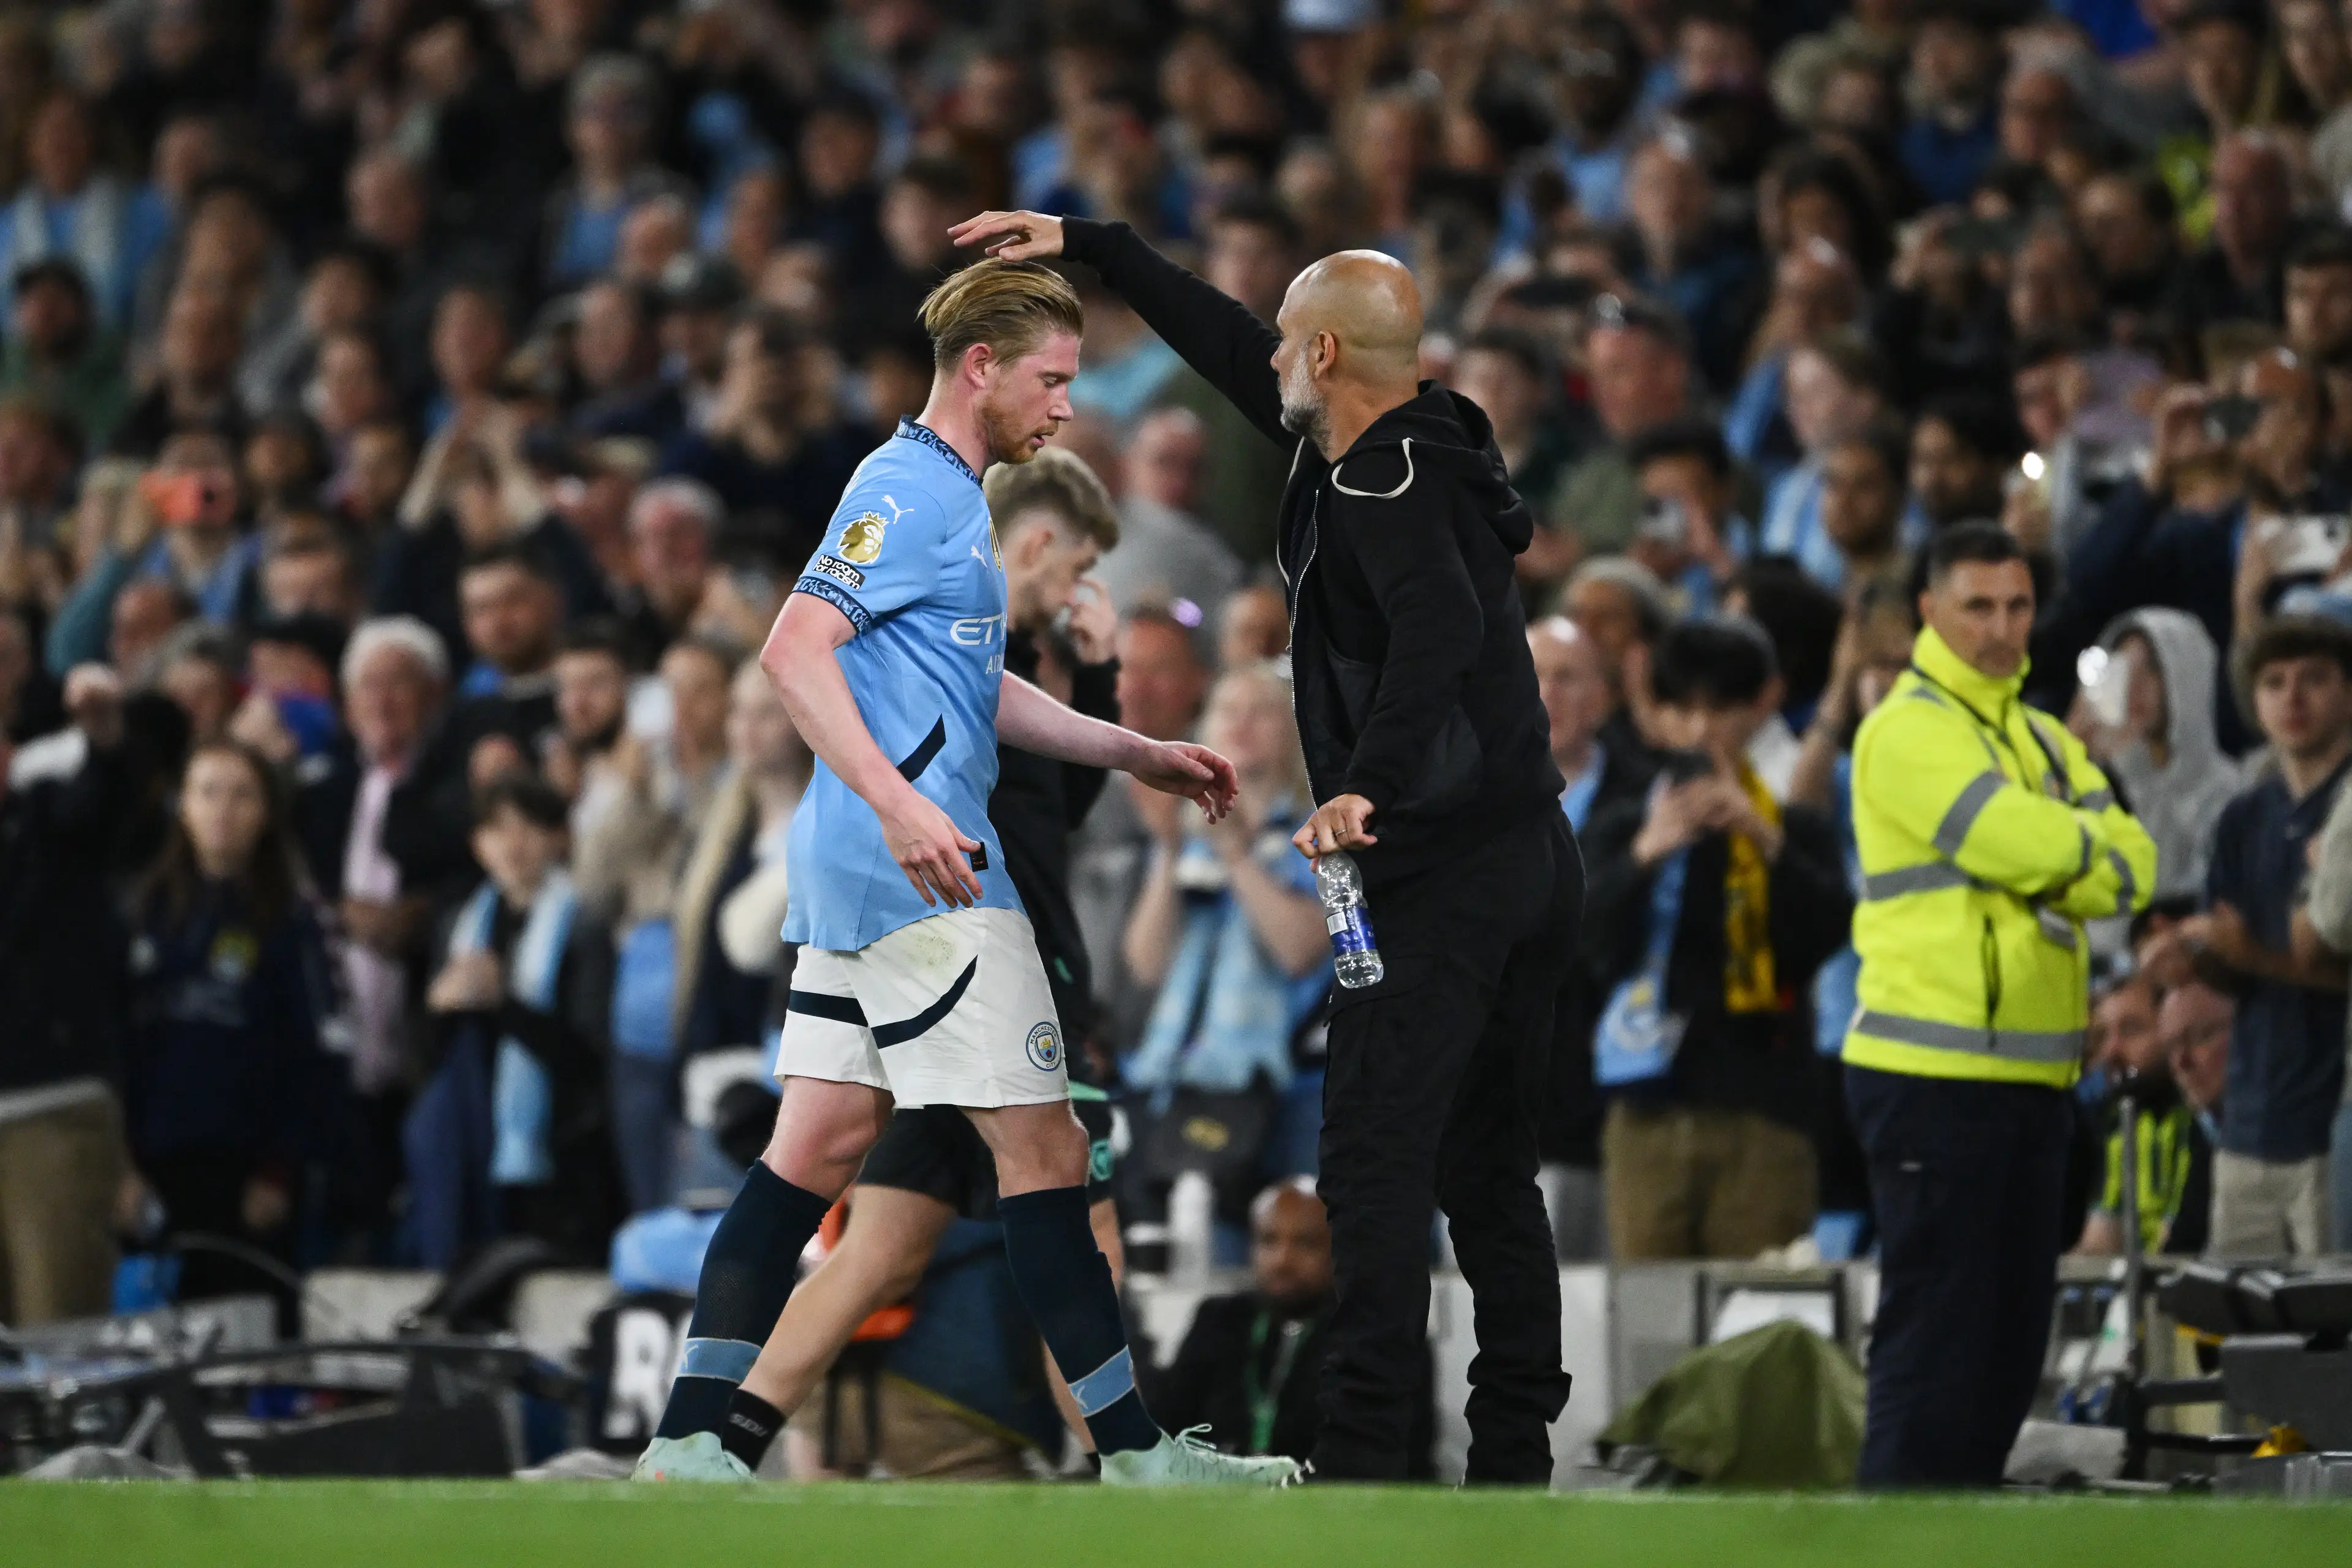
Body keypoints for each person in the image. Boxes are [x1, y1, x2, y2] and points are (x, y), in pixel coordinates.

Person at [634, 257, 1293, 1488]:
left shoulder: (948, 498)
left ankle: (689, 1442)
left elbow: (968, 688)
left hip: (866, 872)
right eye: (1050, 379)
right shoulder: (908, 485)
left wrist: (1133, 747)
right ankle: (1143, 1456)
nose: (1063, 409)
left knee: (815, 1144)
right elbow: (794, 648)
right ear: (980, 368)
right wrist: (898, 806)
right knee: (1047, 1154)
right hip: (928, 873)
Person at [954, 206, 1581, 1482]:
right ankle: (1514, 1454)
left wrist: (1370, 789)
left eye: (1290, 347)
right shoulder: (1395, 445)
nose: (1269, 364)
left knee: (1372, 1167)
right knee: (1488, 1170)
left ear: (1332, 358)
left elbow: (1438, 630)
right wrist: (1094, 242)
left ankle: (1361, 1457)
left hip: (1434, 872)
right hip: (1520, 861)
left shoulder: (1382, 484)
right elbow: (1224, 337)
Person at [1843, 521, 2155, 1487]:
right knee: (1936, 1348)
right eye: (1978, 605)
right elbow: (2016, 840)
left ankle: (1957, 1541)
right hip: (1933, 1078)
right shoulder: (1906, 728)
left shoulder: (2042, 736)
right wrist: (2073, 852)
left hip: (2033, 1079)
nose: (2002, 627)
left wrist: (2062, 854)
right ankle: (1892, 1551)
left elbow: (2135, 866)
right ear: (1930, 611)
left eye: (2018, 606)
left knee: (2006, 1357)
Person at [1583, 617, 1852, 1259]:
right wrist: (1646, 855)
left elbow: (1828, 930)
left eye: (1723, 708)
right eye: (1685, 709)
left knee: (1753, 1322)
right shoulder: (1623, 822)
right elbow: (1581, 944)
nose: (1703, 729)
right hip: (1646, 1108)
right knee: (1650, 1329)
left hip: (1765, 1109)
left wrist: (1765, 840)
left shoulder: (1794, 828)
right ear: (1659, 713)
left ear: (1762, 705)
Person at [122, 739, 341, 1312]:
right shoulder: (141, 911)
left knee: (243, 1342)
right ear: (182, 806)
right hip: (151, 1166)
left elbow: (313, 1055)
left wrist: (280, 1172)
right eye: (208, 792)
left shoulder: (294, 921)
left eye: (242, 794)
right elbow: (111, 1048)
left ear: (267, 812)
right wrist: (118, 1166)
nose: (223, 809)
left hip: (246, 1170)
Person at [407, 771, 621, 1267]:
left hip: (559, 1151)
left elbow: (586, 1057)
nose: (512, 843)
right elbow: (426, 1056)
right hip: (475, 1136)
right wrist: (440, 1007)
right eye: (496, 829)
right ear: (478, 845)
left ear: (557, 839)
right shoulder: (460, 926)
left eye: (528, 827)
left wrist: (502, 1002)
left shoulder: (582, 926)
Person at [0, 665, 132, 1324]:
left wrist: (105, 741)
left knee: (63, 1365)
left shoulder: (55, 792)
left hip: (47, 1110)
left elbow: (107, 803)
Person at [1149, 1178, 1431, 1471]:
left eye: (1306, 1243)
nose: (1283, 1259)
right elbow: (1165, 1431)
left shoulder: (1379, 1334)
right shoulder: (1219, 1321)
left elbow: (1406, 1457)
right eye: (1269, 1241)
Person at [1528, 617, 1652, 1261]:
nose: (1547, 694)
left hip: (1603, 1106)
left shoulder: (1647, 798)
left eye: (1567, 677)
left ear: (1603, 698)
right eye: (1534, 676)